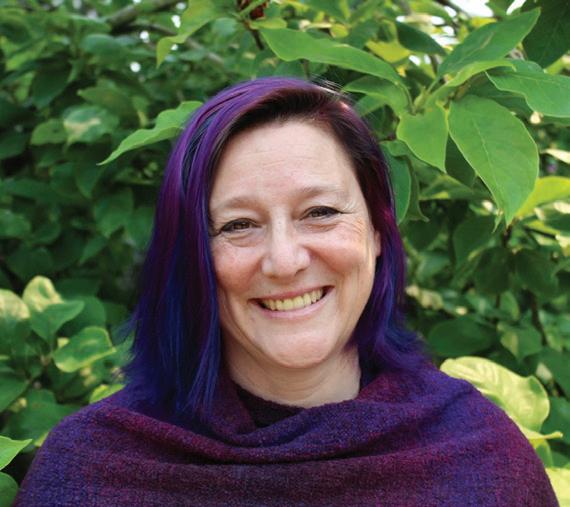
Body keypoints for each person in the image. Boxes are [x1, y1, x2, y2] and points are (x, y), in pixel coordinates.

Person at [16, 77, 557, 506]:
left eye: (319, 212)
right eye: (238, 225)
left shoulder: (481, 459)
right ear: (191, 255)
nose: (284, 261)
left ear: (377, 231)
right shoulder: (91, 469)